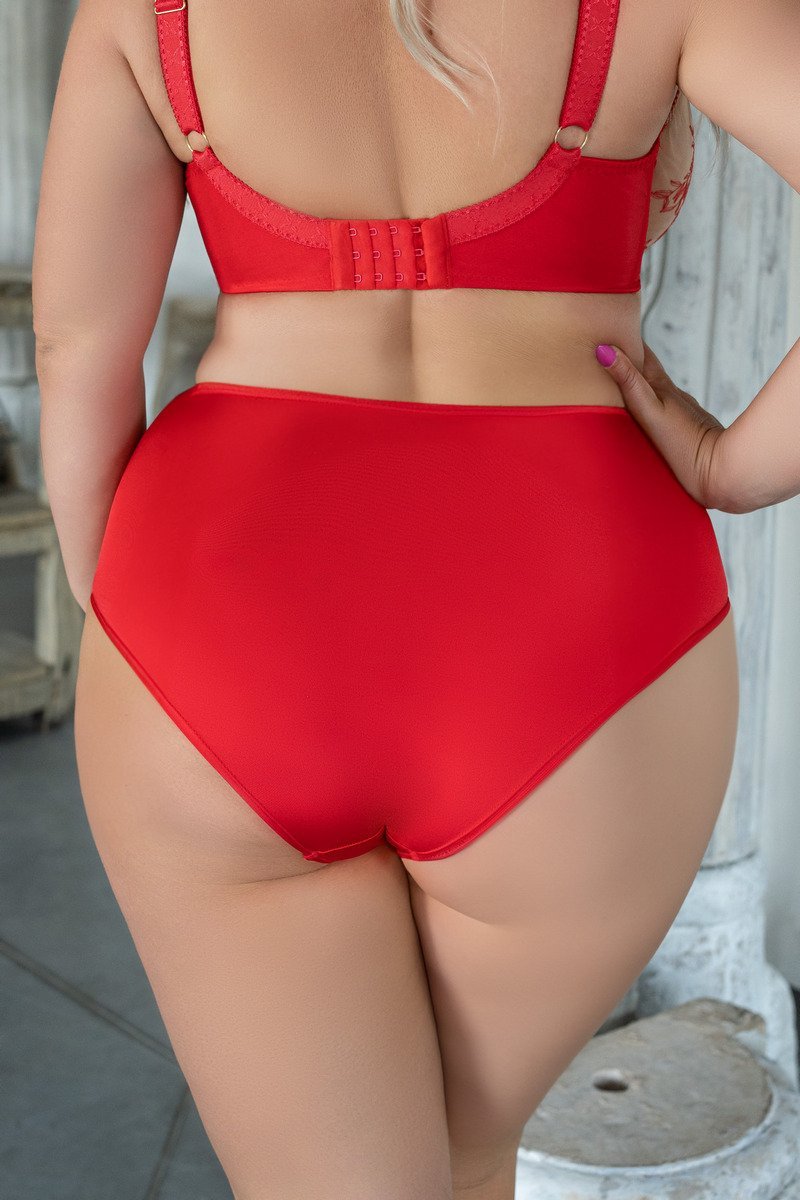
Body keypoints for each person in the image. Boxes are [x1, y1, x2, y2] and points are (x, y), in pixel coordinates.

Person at [31, 0, 798, 1197]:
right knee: (466, 1155)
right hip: (578, 628)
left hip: (222, 606)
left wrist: (128, 624)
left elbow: (78, 348)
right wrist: (735, 467)